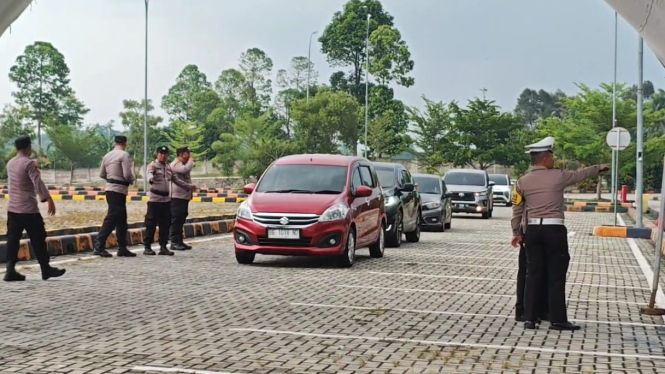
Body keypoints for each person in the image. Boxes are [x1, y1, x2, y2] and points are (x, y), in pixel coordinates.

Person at [511, 136, 608, 331]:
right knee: (556, 274)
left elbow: (517, 209)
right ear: (546, 159)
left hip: (532, 231)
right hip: (553, 230)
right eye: (552, 157)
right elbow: (580, 174)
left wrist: (516, 232)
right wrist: (599, 167)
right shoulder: (558, 176)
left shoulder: (522, 181)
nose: (553, 161)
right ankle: (557, 319)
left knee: (533, 274)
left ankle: (529, 318)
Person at [4, 136, 66, 282]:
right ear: (28, 148)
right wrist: (48, 199)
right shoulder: (29, 164)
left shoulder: (10, 163)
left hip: (13, 208)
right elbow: (37, 182)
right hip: (28, 209)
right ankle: (45, 269)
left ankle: (10, 270)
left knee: (13, 240)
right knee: (38, 238)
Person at [144, 146, 195, 256]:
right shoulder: (153, 165)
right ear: (157, 154)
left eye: (165, 154)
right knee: (151, 223)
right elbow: (149, 174)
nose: (163, 155)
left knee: (165, 224)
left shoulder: (168, 167)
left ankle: (163, 247)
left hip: (166, 200)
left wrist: (189, 186)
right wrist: (150, 179)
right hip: (155, 199)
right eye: (161, 153)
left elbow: (176, 180)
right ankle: (147, 246)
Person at [94, 135, 136, 258]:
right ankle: (99, 245)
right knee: (112, 217)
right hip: (119, 190)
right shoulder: (124, 155)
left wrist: (111, 179)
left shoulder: (107, 156)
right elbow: (127, 174)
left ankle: (122, 247)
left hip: (110, 189)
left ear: (114, 143)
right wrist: (132, 179)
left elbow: (102, 174)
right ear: (125, 143)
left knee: (122, 219)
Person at [169, 146, 195, 251]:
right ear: (181, 154)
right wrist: (191, 162)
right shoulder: (175, 164)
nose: (189, 156)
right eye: (187, 153)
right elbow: (184, 170)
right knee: (176, 219)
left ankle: (179, 241)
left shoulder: (184, 164)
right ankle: (174, 242)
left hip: (184, 196)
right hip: (176, 196)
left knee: (181, 219)